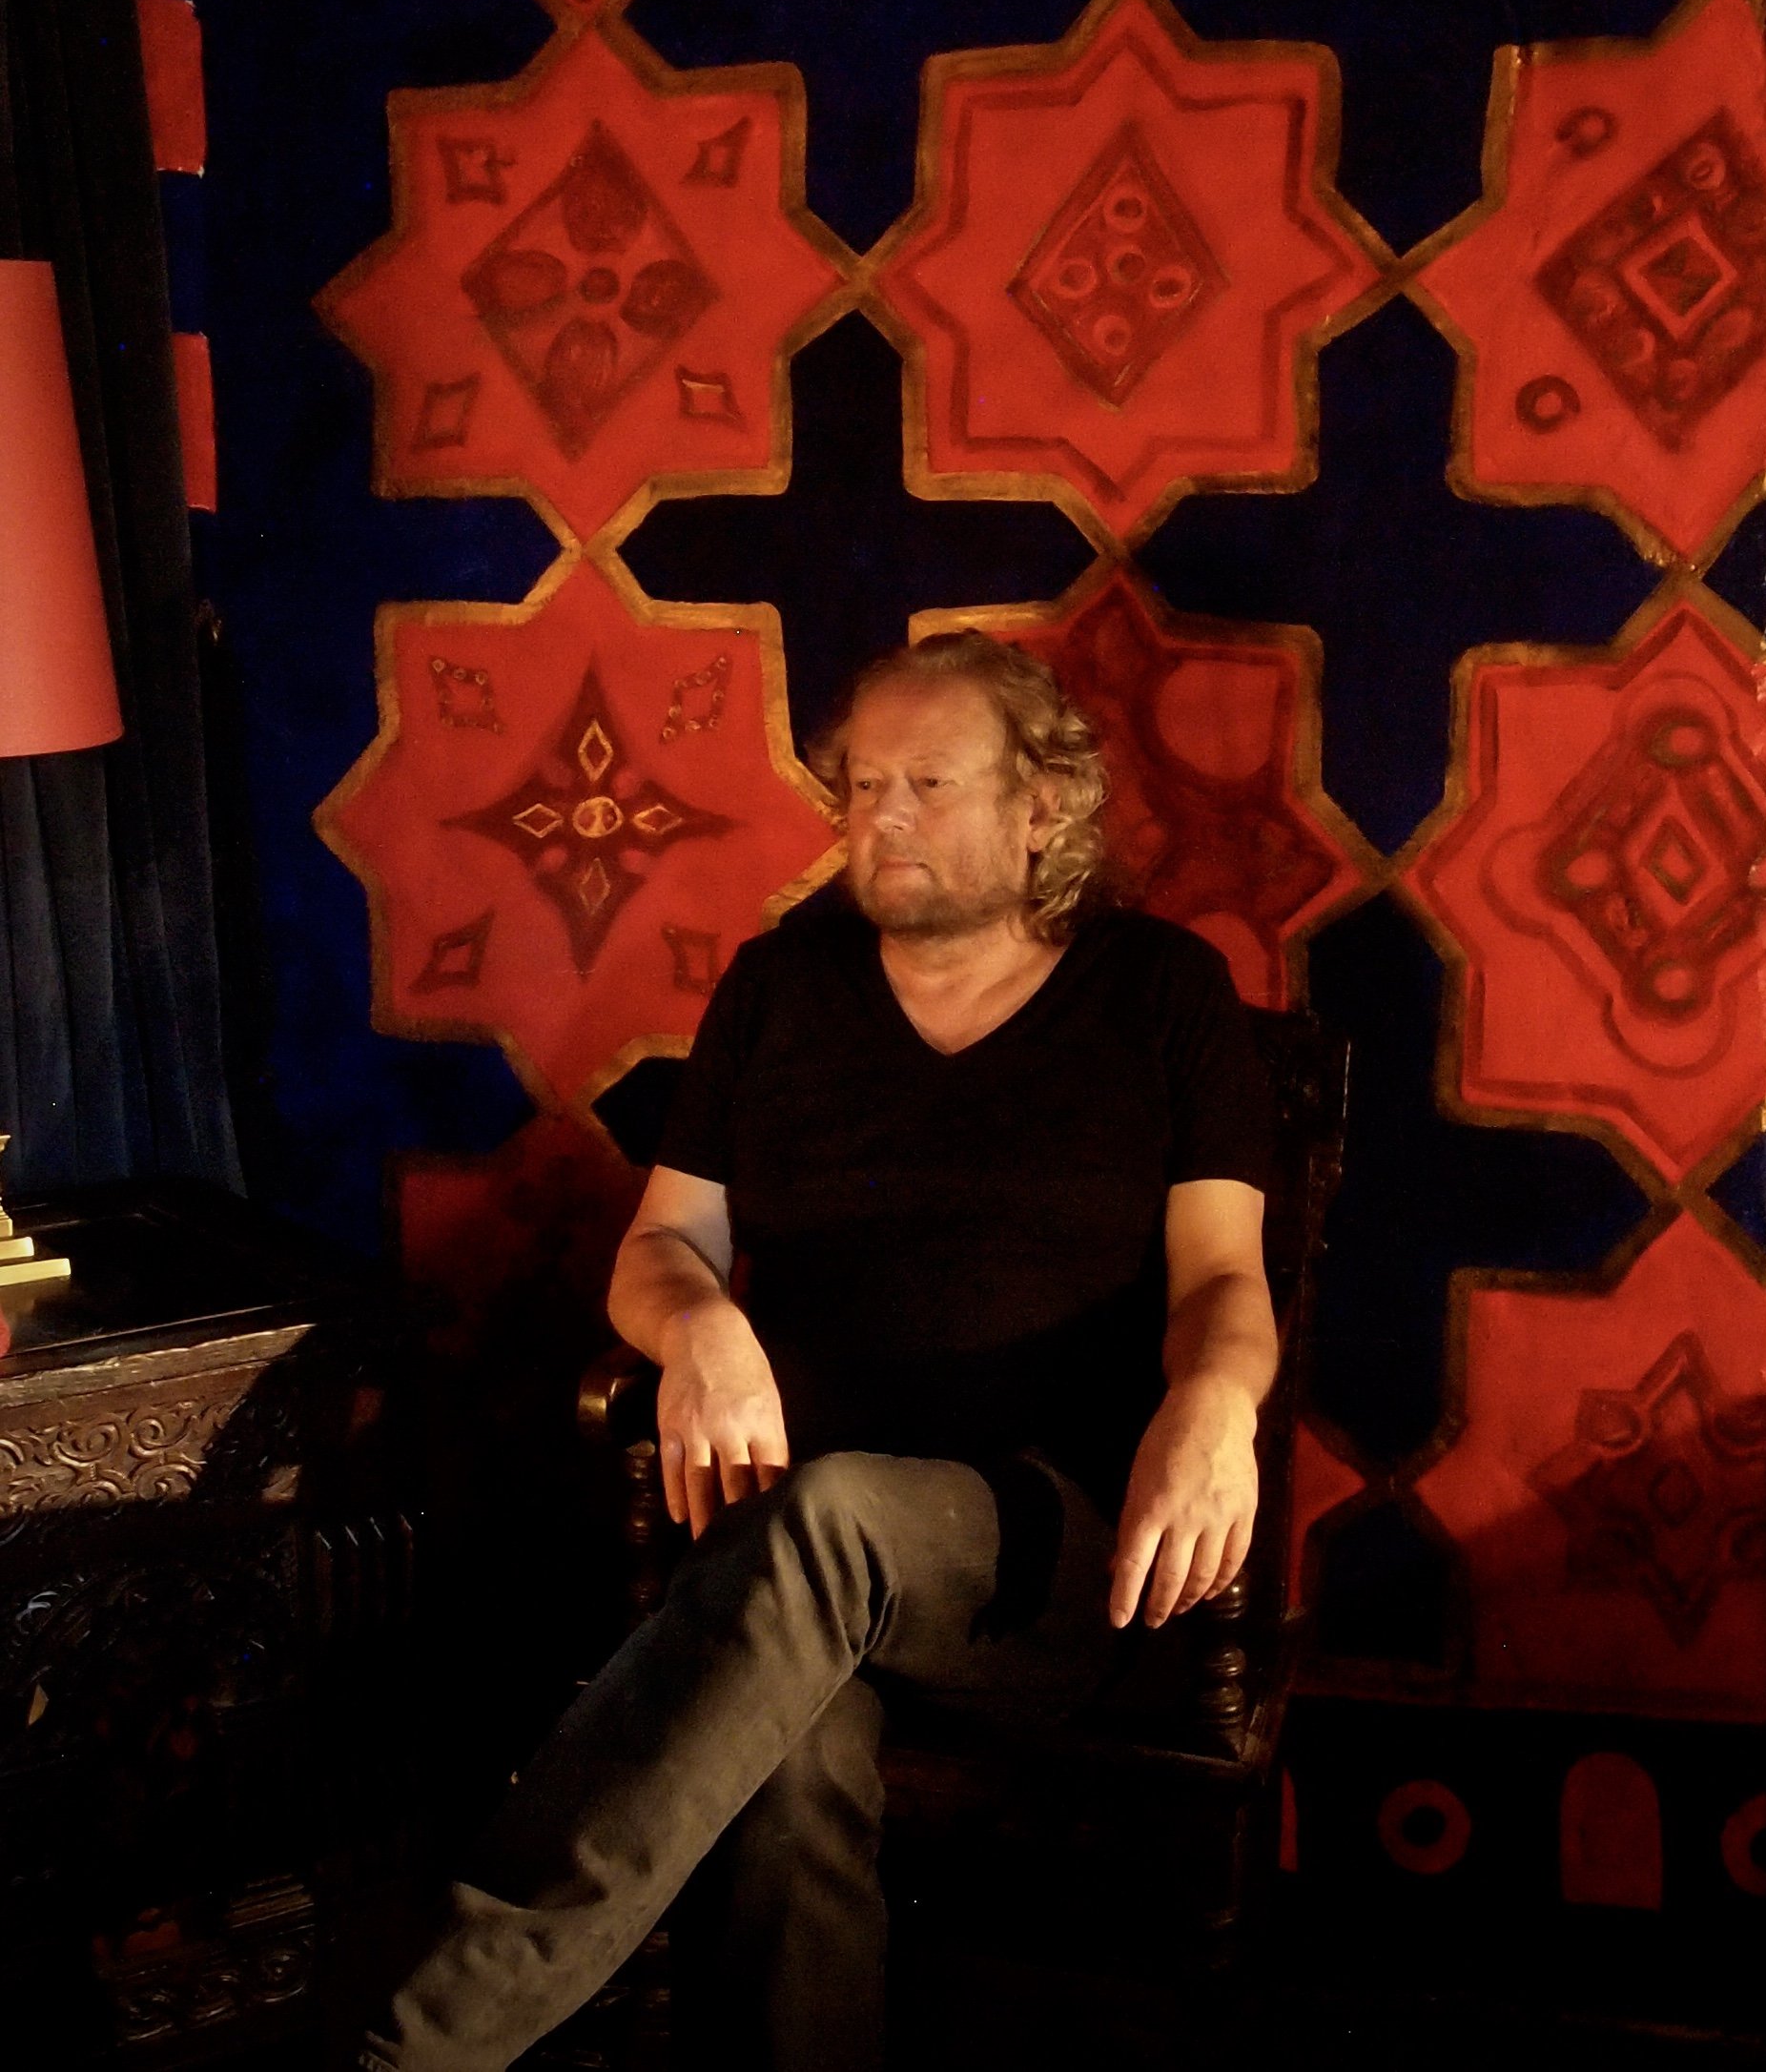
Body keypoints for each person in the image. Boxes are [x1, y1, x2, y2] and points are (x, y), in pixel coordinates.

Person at [359, 628, 1278, 2072]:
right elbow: (660, 1248)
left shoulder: (1161, 993)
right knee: (782, 1757)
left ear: (1042, 805)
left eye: (928, 783)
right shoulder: (782, 986)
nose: (881, 817)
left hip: (1049, 1548)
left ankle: (424, 2043)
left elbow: (1224, 1276)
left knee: (830, 1519)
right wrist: (701, 1324)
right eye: (861, 786)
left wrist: (1219, 1398)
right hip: (787, 1559)